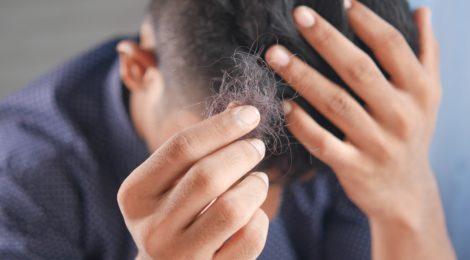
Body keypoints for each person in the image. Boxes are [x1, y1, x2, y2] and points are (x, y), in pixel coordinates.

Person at [0, 0, 456, 259]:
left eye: (289, 180)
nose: (261, 217)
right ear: (138, 69)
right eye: (220, 156)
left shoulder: (345, 131)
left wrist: (408, 203)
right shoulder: (18, 185)